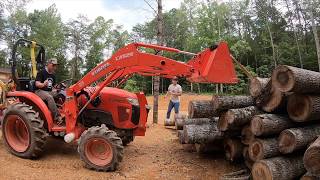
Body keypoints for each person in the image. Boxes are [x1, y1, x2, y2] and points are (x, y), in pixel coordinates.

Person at [35, 58, 63, 124]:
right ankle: (57, 117)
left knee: (62, 93)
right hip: (39, 91)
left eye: (55, 66)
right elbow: (37, 84)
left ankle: (65, 112)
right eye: (53, 65)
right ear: (48, 64)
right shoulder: (41, 72)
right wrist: (43, 84)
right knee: (49, 97)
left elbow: (54, 86)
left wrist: (59, 86)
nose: (54, 67)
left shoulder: (52, 75)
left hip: (49, 91)